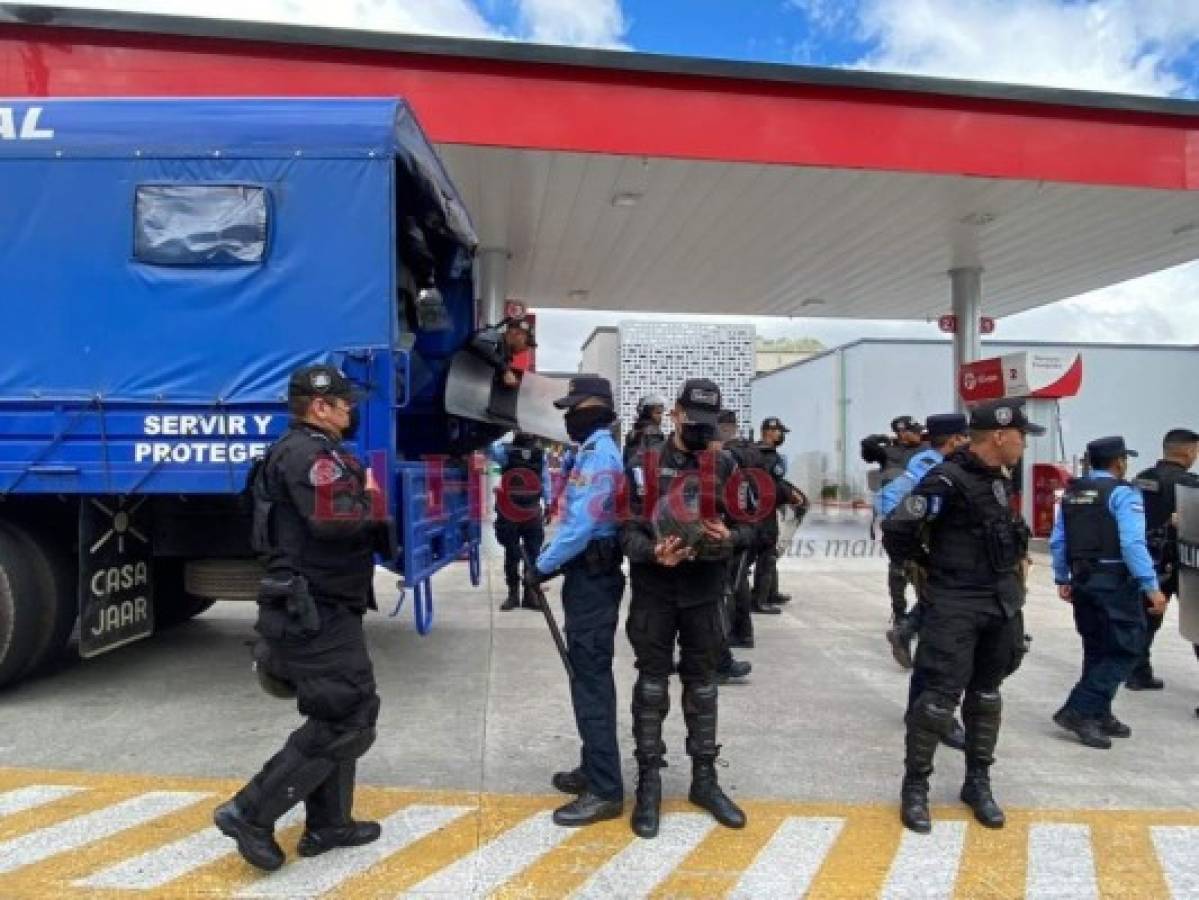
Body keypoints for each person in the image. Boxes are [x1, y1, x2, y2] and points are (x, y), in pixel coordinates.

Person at [215, 365, 391, 871]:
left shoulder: (310, 451)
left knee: (334, 709)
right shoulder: (309, 454)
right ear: (320, 407)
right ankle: (250, 812)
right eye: (344, 402)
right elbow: (336, 522)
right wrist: (374, 499)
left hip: (319, 603)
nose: (350, 409)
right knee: (349, 712)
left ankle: (330, 824)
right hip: (314, 609)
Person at [882, 399, 1040, 835]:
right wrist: (927, 571)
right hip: (956, 604)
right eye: (1022, 436)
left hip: (1000, 602)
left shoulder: (1000, 480)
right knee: (937, 700)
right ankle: (915, 788)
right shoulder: (946, 479)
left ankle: (977, 782)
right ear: (1000, 436)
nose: (1024, 444)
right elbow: (897, 528)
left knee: (987, 696)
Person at [621, 379, 756, 839]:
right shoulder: (643, 462)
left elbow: (755, 528)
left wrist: (732, 538)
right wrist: (652, 551)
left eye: (708, 423)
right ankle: (649, 784)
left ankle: (704, 780)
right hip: (655, 591)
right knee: (653, 686)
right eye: (692, 420)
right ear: (675, 413)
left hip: (705, 591)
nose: (699, 430)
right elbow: (623, 530)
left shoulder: (728, 465)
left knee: (702, 687)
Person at [532, 376, 627, 827]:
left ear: (597, 408)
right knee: (585, 675)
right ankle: (593, 767)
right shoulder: (591, 450)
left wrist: (542, 565)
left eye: (575, 408)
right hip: (587, 576)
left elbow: (580, 527)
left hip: (592, 577)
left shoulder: (600, 455)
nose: (569, 416)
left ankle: (605, 788)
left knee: (589, 679)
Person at [1051, 437, 1168, 748]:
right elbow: (1132, 543)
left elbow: (1059, 539)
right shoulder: (1122, 493)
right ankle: (1080, 709)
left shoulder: (1073, 493)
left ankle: (1099, 713)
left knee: (1097, 646)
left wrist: (1062, 575)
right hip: (1115, 580)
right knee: (1126, 648)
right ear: (1119, 462)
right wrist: (1151, 586)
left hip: (1083, 579)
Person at [880, 413, 972, 668]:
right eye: (966, 437)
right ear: (955, 440)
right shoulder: (931, 464)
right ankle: (907, 628)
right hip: (916, 534)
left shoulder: (942, 461)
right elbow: (923, 503)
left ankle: (907, 629)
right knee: (940, 592)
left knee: (939, 592)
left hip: (918, 533)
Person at [1129, 428, 1199, 690]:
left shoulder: (1140, 479)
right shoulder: (1190, 484)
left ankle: (1138, 673)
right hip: (1185, 562)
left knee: (1146, 617)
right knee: (1197, 622)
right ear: (1188, 451)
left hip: (1147, 560)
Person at [868, 416, 926, 628]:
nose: (918, 434)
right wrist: (882, 438)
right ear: (901, 433)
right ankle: (899, 612)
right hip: (895, 516)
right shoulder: (888, 453)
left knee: (926, 567)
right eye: (912, 431)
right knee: (898, 567)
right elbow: (867, 446)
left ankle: (924, 611)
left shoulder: (926, 449)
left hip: (922, 515)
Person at [488, 433, 550, 611]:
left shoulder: (536, 454)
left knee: (531, 555)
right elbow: (489, 449)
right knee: (515, 553)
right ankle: (514, 594)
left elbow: (545, 479)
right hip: (515, 511)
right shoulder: (507, 452)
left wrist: (549, 503)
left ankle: (527, 595)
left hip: (525, 511)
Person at [749, 416, 798, 613]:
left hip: (753, 511)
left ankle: (771, 592)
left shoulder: (752, 452)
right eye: (779, 432)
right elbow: (771, 487)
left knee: (768, 553)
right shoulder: (770, 456)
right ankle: (760, 600)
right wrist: (789, 496)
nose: (781, 436)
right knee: (767, 554)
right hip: (765, 511)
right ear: (769, 431)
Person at [466, 315, 537, 421]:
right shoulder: (494, 337)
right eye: (526, 343)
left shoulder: (504, 357)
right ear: (515, 333)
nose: (526, 349)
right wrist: (505, 370)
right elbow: (478, 342)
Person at [623, 394, 666, 465]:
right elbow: (657, 459)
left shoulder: (633, 432)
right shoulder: (653, 432)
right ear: (647, 413)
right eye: (658, 413)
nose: (661, 417)